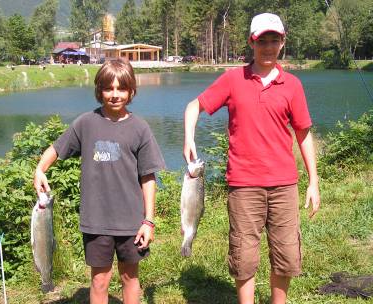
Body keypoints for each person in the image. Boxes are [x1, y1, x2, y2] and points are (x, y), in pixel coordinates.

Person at [183, 13, 320, 304]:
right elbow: (194, 106)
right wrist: (188, 138)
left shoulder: (293, 85)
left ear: (283, 43)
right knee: (243, 254)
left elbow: (304, 134)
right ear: (251, 42)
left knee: (286, 253)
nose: (268, 47)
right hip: (244, 186)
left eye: (274, 40)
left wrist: (313, 182)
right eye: (262, 41)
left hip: (284, 185)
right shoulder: (234, 79)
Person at [33, 58, 165, 304]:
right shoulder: (85, 123)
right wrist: (40, 169)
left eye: (121, 88)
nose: (115, 95)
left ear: (131, 90)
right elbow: (56, 149)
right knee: (99, 280)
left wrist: (148, 220)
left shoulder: (140, 128)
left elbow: (148, 178)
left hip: (131, 223)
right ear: (99, 90)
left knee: (130, 278)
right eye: (108, 88)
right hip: (96, 222)